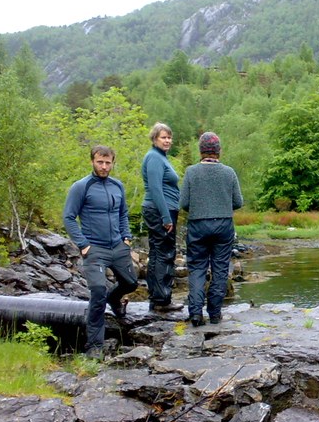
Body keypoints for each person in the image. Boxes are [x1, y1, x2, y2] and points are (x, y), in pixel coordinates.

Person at [63, 145, 138, 357]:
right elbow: (69, 217)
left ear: (113, 162)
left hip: (118, 246)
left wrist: (127, 238)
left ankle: (115, 300)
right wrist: (83, 244)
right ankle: (94, 346)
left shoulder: (117, 186)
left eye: (108, 163)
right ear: (92, 162)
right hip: (94, 248)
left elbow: (123, 213)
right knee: (97, 291)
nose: (104, 167)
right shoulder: (81, 187)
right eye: (100, 162)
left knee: (131, 283)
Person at [180, 131, 244, 326]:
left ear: (200, 151)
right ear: (219, 151)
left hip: (198, 225)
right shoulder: (229, 172)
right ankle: (215, 314)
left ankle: (196, 314)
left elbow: (183, 203)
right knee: (220, 268)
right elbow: (238, 202)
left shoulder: (191, 172)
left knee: (197, 268)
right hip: (223, 224)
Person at [141, 122, 183, 312]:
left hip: (161, 209)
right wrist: (166, 217)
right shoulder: (154, 158)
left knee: (157, 253)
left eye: (169, 137)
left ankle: (157, 297)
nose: (167, 141)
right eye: (163, 137)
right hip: (160, 210)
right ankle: (162, 300)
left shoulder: (160, 157)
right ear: (154, 139)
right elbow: (156, 189)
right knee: (164, 254)